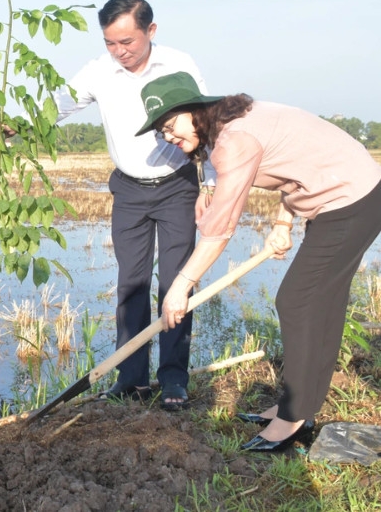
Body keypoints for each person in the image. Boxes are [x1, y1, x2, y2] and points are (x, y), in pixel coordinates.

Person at [135, 70, 381, 452]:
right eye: (160, 132)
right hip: (342, 194)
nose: (168, 136)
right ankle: (301, 406)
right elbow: (296, 165)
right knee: (322, 303)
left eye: (170, 125)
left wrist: (180, 287)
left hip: (351, 200)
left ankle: (293, 419)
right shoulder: (232, 121)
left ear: (193, 109)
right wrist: (284, 222)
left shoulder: (233, 140)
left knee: (298, 301)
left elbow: (220, 228)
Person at [1, 0, 214, 410]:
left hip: (178, 185)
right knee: (130, 285)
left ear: (150, 31)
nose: (119, 52)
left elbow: (205, 123)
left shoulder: (179, 65)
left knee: (176, 284)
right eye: (110, 44)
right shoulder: (100, 71)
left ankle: (173, 381)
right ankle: (130, 379)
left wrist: (209, 186)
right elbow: (56, 108)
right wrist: (16, 125)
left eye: (127, 42)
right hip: (130, 190)